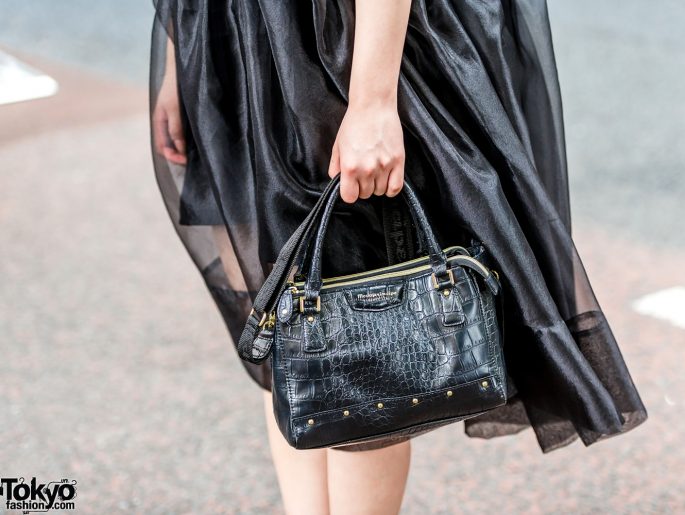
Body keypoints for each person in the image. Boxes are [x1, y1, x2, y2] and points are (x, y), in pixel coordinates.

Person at [150, 1, 648, 513]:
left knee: (361, 348)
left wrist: (371, 101)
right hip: (226, 42)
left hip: (327, 50)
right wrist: (176, 62)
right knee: (288, 332)